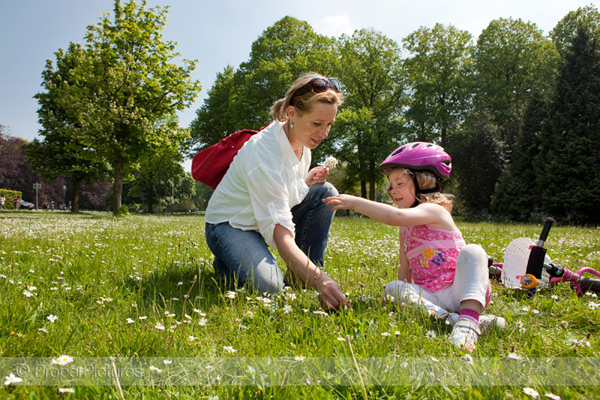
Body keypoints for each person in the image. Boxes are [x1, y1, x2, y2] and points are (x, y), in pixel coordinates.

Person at [324, 142, 505, 351]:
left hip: (459, 290)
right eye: (391, 186)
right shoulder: (406, 229)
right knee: (393, 287)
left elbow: (395, 215)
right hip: (432, 297)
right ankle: (454, 320)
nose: (392, 191)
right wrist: (398, 299)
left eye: (399, 183)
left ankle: (468, 322)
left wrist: (355, 202)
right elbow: (405, 269)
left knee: (474, 251)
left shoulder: (435, 211)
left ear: (423, 181)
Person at [204, 73, 350, 311]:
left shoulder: (304, 145)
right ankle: (225, 266)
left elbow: (284, 193)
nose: (324, 134)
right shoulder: (264, 152)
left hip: (264, 218)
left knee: (325, 192)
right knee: (270, 289)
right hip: (231, 225)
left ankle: (302, 273)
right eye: (317, 124)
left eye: (329, 124)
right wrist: (321, 281)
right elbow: (281, 235)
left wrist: (305, 181)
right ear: (292, 114)